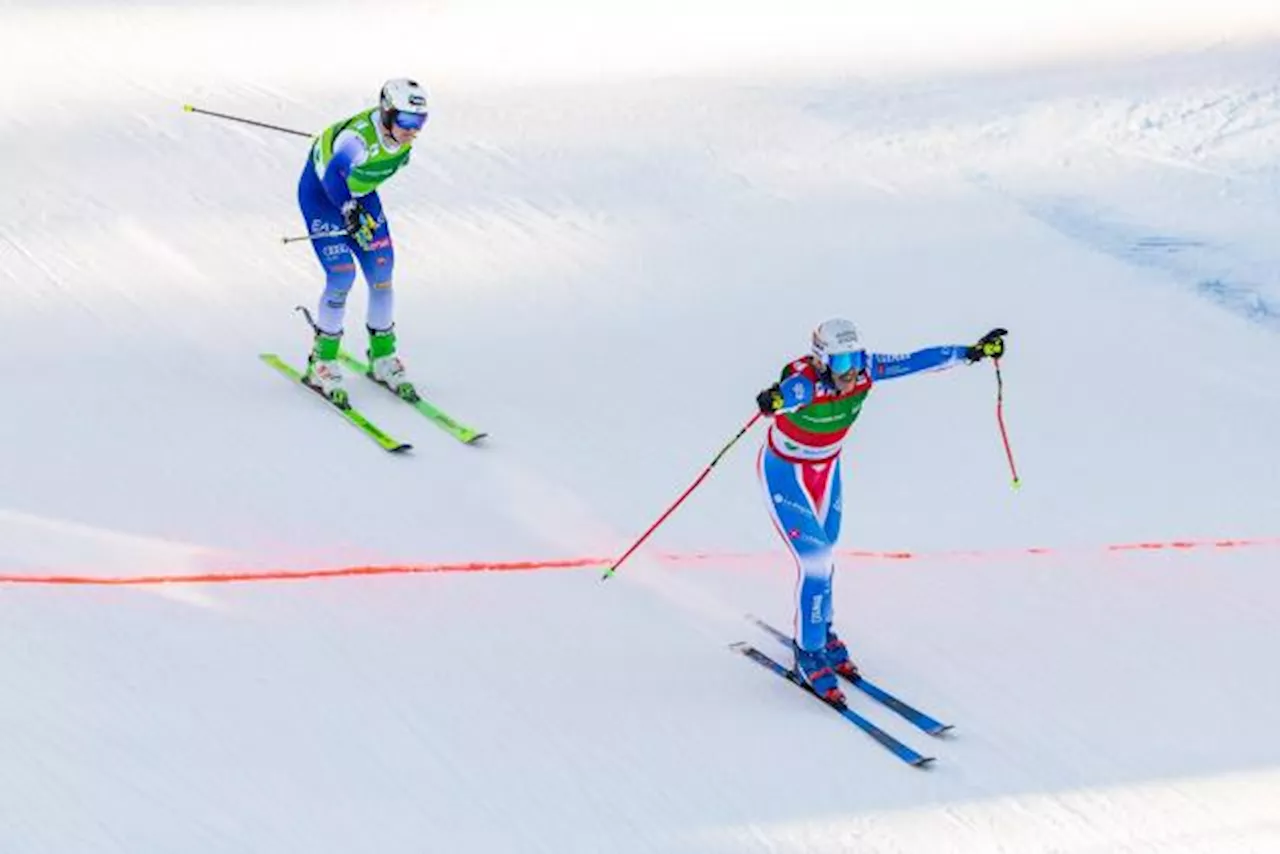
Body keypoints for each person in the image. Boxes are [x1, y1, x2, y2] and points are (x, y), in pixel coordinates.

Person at [755, 319, 1007, 703]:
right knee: (816, 561)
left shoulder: (867, 371)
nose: (852, 373)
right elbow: (785, 394)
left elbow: (919, 360)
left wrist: (972, 352)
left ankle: (822, 630)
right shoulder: (806, 384)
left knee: (827, 552)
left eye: (855, 359)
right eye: (842, 364)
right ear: (823, 362)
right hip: (786, 472)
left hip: (826, 469)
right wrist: (772, 400)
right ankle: (808, 653)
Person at [296, 78, 430, 407]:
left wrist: (355, 205)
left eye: (421, 122)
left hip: (358, 195)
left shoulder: (399, 136)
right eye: (408, 122)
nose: (413, 130)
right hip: (324, 198)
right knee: (342, 275)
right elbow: (332, 176)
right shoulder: (358, 140)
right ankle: (323, 361)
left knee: (382, 273)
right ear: (386, 114)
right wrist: (347, 209)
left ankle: (383, 357)